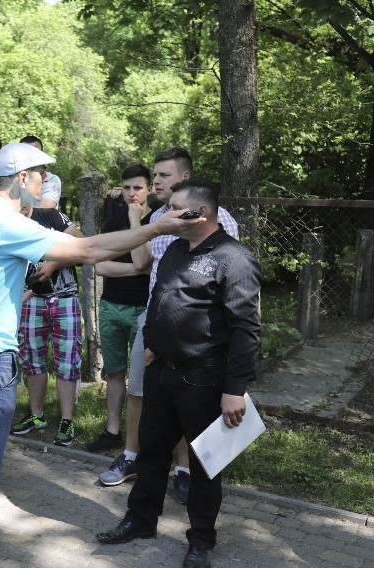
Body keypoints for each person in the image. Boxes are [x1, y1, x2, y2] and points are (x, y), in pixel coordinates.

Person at [0, 142, 203, 568]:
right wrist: (155, 228)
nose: (44, 183)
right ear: (22, 178)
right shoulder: (5, 223)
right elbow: (88, 251)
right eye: (41, 175)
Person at [96, 179, 262, 568]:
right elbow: (160, 297)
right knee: (151, 453)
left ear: (199, 214)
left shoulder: (233, 258)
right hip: (162, 372)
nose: (165, 213)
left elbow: (246, 329)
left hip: (205, 378)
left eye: (173, 208)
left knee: (205, 465)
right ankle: (140, 520)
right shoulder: (173, 248)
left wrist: (235, 389)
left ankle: (201, 541)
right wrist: (153, 341)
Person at [97, 149, 238, 498]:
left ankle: (185, 469)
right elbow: (143, 262)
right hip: (153, 319)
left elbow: (231, 276)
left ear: (185, 178)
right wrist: (136, 218)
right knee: (139, 389)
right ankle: (132, 457)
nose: (155, 181)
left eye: (163, 176)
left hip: (198, 328)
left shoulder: (221, 221)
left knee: (186, 399)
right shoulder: (157, 217)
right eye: (155, 176)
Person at [85, 163, 157, 454]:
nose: (131, 194)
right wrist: (137, 269)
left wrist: (135, 222)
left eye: (137, 188)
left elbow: (145, 262)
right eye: (126, 188)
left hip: (142, 309)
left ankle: (142, 440)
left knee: (143, 379)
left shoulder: (157, 220)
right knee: (114, 372)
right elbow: (99, 265)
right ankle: (112, 431)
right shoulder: (114, 220)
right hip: (111, 306)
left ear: (148, 189)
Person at [10, 204, 84, 446]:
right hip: (30, 299)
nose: (17, 205)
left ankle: (66, 420)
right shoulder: (7, 221)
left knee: (67, 359)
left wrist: (54, 264)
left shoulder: (51, 216)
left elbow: (82, 244)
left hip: (65, 298)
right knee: (32, 358)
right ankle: (36, 414)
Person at [19, 136, 61, 208]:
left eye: (35, 153)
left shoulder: (51, 180)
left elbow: (44, 210)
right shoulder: (11, 179)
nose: (31, 158)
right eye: (26, 153)